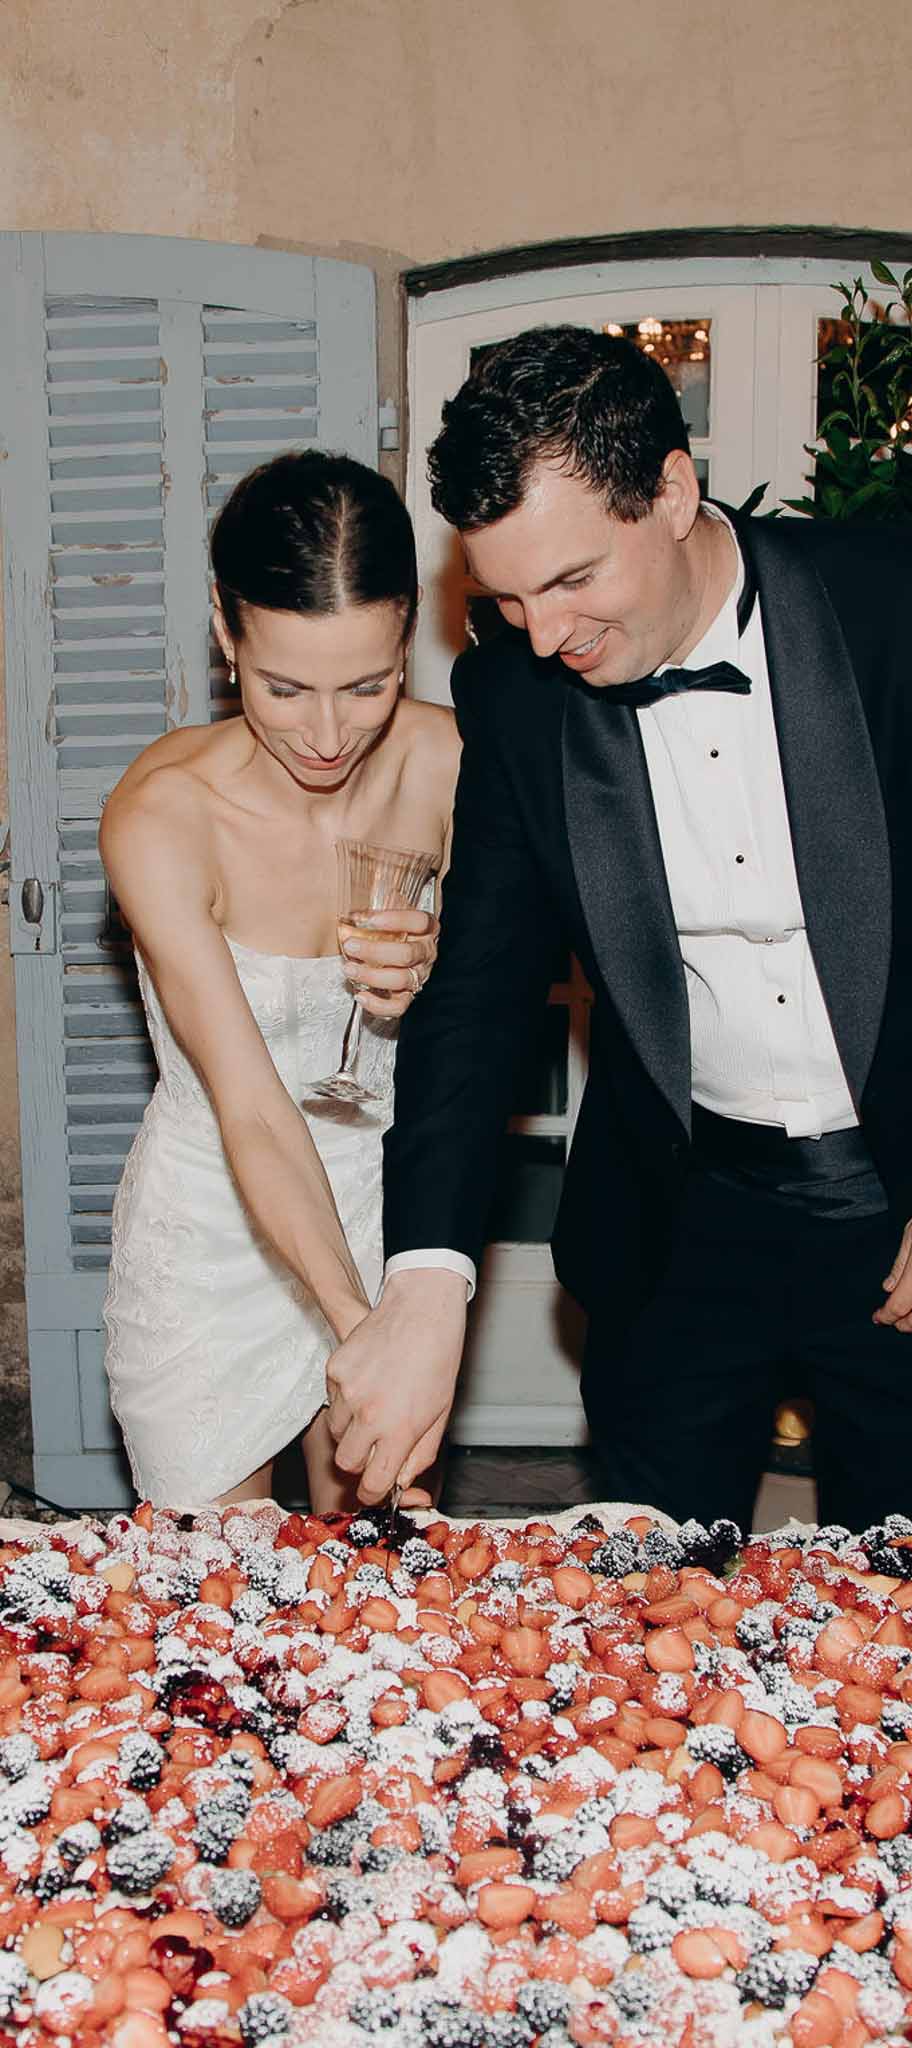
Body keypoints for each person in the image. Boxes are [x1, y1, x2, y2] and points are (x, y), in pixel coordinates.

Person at [325, 325, 912, 1530]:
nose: (545, 636)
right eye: (506, 599)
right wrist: (427, 1280)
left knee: (898, 1604)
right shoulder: (518, 696)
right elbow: (481, 993)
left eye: (573, 580)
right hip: (678, 1224)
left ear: (672, 490)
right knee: (651, 1609)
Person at [101, 449, 459, 1510]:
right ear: (226, 631)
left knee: (375, 1596)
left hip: (388, 1201)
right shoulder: (163, 814)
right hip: (215, 1223)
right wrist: (368, 1331)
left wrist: (444, 964)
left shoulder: (453, 765)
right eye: (283, 686)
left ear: (407, 634)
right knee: (215, 1607)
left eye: (368, 683)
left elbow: (535, 992)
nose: (327, 732)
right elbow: (251, 1107)